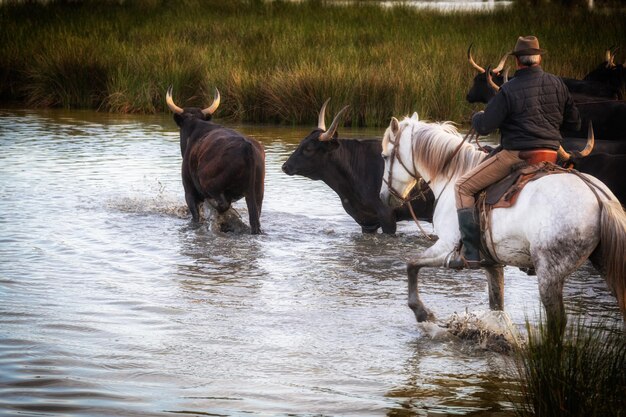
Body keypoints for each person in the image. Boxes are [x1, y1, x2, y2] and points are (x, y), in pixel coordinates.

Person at [447, 35, 581, 269]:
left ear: (518, 62)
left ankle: (470, 252)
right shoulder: (558, 84)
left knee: (463, 187)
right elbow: (575, 125)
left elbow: (485, 126)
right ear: (538, 58)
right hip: (552, 156)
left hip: (516, 156)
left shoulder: (508, 90)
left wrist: (477, 116)